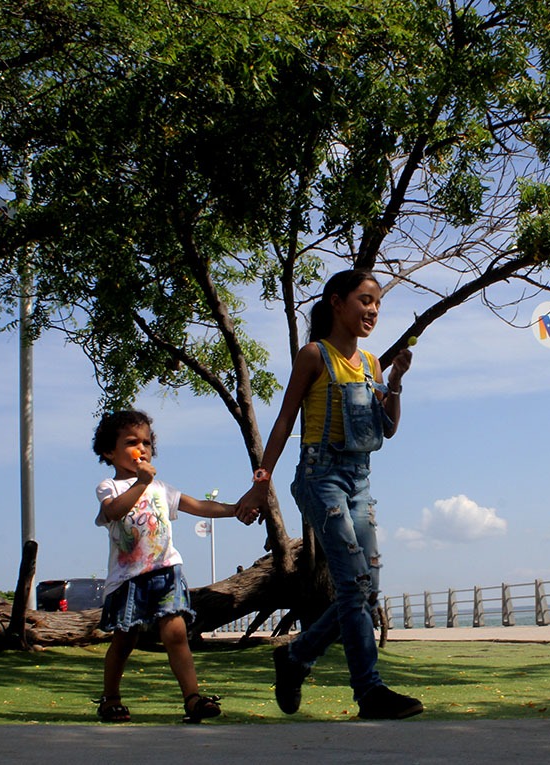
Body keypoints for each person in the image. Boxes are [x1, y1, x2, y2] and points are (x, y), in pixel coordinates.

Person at [236, 268, 422, 720]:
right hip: (321, 478)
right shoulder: (314, 356)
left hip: (360, 481)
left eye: (377, 303)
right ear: (336, 303)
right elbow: (283, 421)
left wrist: (394, 379)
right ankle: (369, 692)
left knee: (366, 589)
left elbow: (389, 429)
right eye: (364, 300)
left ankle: (296, 658)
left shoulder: (373, 364)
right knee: (355, 586)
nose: (373, 310)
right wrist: (261, 484)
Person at [91, 409, 258, 724]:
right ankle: (110, 699)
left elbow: (197, 505)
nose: (142, 449)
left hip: (166, 572)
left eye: (147, 443)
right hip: (130, 579)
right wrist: (140, 483)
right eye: (131, 442)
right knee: (125, 639)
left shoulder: (161, 488)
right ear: (108, 452)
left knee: (177, 632)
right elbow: (114, 512)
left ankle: (192, 699)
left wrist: (235, 510)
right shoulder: (109, 488)